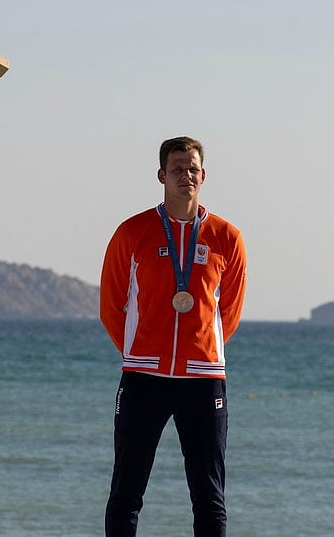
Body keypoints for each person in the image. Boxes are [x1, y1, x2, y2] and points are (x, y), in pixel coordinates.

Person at [99, 136, 247, 537]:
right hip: (144, 378)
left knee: (210, 499)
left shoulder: (227, 237)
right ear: (162, 175)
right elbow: (112, 307)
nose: (186, 175)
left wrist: (203, 349)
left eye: (193, 168)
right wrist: (141, 350)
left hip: (203, 380)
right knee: (126, 492)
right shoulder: (132, 232)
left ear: (204, 176)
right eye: (178, 168)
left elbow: (228, 313)